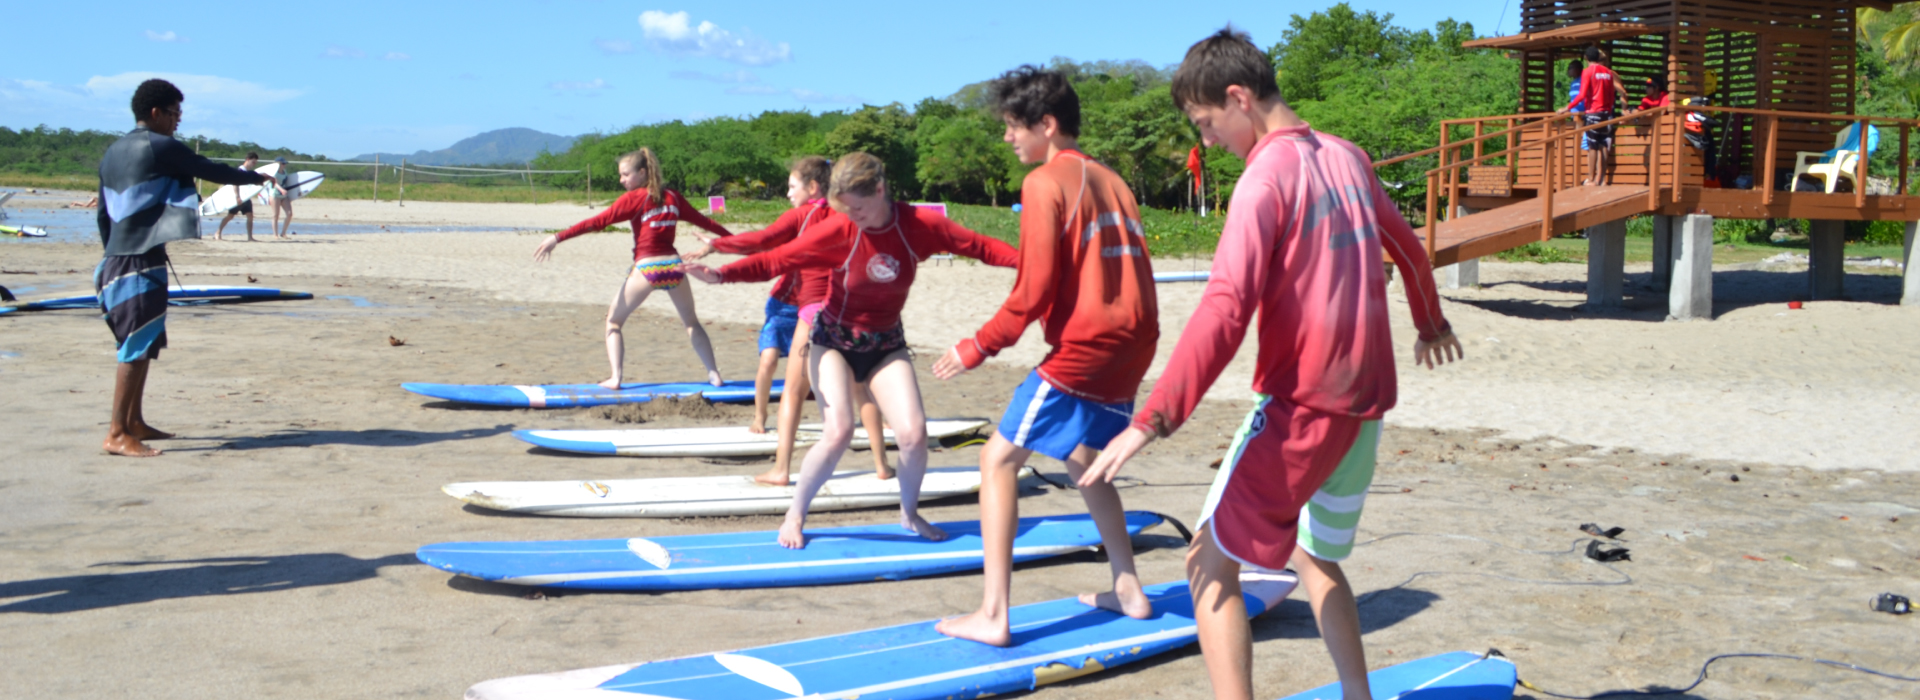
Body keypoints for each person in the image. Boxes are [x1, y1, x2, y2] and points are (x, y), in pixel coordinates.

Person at [1078, 29, 1463, 700]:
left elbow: (1225, 308)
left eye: (1207, 124)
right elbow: (1412, 252)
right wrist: (1431, 326)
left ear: (1239, 98)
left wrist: (1153, 418)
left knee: (1207, 567)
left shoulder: (1264, 180)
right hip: (1363, 412)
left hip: (1299, 413)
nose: (1209, 141)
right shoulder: (1349, 156)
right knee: (1317, 563)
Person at [931, 65, 1160, 646]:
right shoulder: (1114, 180)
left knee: (997, 461)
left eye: (1013, 127)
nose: (1008, 138)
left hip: (1088, 345)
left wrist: (977, 345)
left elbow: (1032, 291)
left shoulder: (1045, 183)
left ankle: (994, 614)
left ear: (1047, 125)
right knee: (1085, 459)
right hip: (1135, 342)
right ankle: (1128, 587)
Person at [684, 152, 1018, 549]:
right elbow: (778, 257)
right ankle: (795, 515)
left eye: (856, 207)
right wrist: (722, 274)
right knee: (839, 430)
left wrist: (1032, 263)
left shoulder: (920, 226)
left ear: (880, 191)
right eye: (843, 207)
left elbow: (981, 246)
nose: (850, 215)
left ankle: (909, 515)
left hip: (885, 344)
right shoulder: (840, 229)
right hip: (833, 342)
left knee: (913, 435)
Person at [93, 78, 278, 457]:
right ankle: (116, 433)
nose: (179, 121)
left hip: (117, 257)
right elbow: (210, 170)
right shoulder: (158, 146)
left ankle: (135, 422)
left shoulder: (113, 151)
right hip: (137, 260)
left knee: (145, 343)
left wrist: (114, 254)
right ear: (156, 113)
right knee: (134, 347)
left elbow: (102, 213)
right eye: (175, 113)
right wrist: (256, 177)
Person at [683, 156, 893, 485]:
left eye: (792, 186)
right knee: (860, 389)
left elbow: (764, 240)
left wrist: (717, 245)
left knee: (794, 392)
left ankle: (781, 469)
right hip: (853, 313)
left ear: (812, 188)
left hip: (814, 314)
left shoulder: (804, 215)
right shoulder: (853, 215)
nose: (788, 193)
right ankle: (881, 465)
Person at [533, 148, 733, 389]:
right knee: (691, 323)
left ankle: (616, 378)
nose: (621, 180)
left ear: (642, 173)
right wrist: (736, 241)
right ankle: (714, 375)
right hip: (675, 267)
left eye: (626, 174)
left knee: (613, 322)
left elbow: (596, 222)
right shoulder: (673, 197)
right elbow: (707, 222)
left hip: (648, 267)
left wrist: (557, 238)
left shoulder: (633, 199)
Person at [1557, 45, 1623, 186]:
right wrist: (1609, 110)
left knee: (1593, 146)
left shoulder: (1587, 72)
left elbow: (1581, 95)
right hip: (1607, 114)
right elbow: (1612, 95)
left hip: (1593, 112)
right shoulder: (1608, 72)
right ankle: (1603, 179)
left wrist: (1566, 108)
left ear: (1586, 58)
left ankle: (1591, 179)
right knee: (1604, 145)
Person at [214, 152, 261, 241]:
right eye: (253, 162)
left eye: (255, 162)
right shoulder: (240, 170)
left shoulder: (249, 172)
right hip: (238, 197)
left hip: (246, 197)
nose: (254, 164)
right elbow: (235, 183)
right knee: (230, 216)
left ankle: (250, 237)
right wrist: (237, 196)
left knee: (250, 215)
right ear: (248, 160)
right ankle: (218, 232)